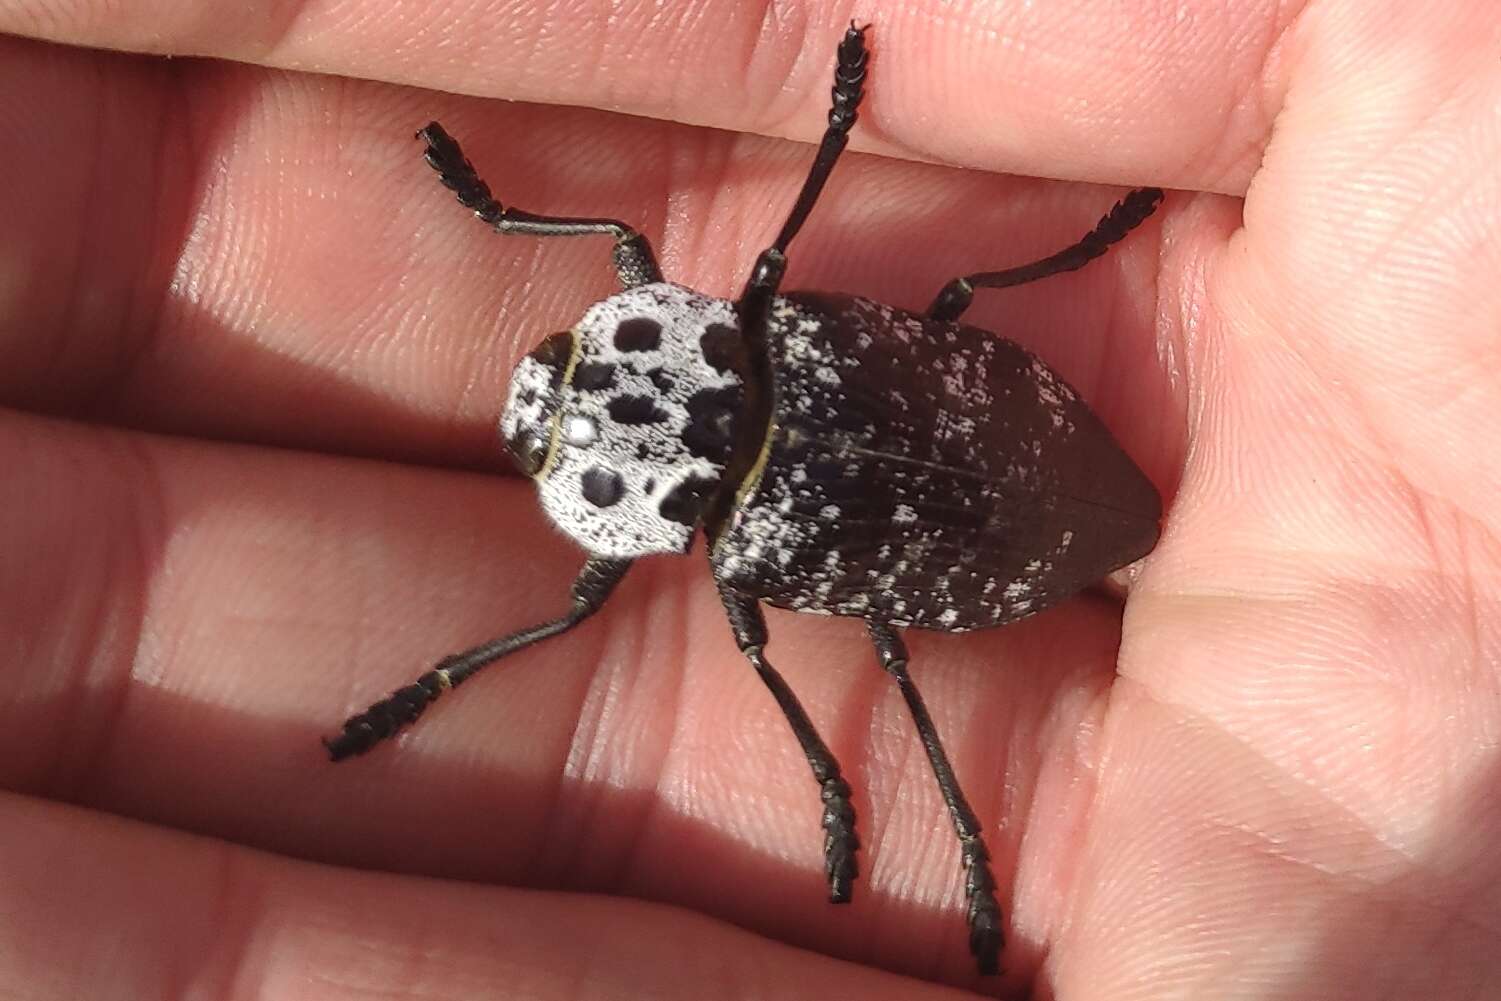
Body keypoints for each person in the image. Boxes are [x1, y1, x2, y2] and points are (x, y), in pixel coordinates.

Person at [1, 3, 1495, 998]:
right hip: (988, 476)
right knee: (928, 386)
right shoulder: (747, 331)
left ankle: (940, 830)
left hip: (1009, 490)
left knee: (830, 637)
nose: (556, 374)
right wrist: (829, 125)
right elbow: (662, 249)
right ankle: (950, 831)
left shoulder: (730, 517)